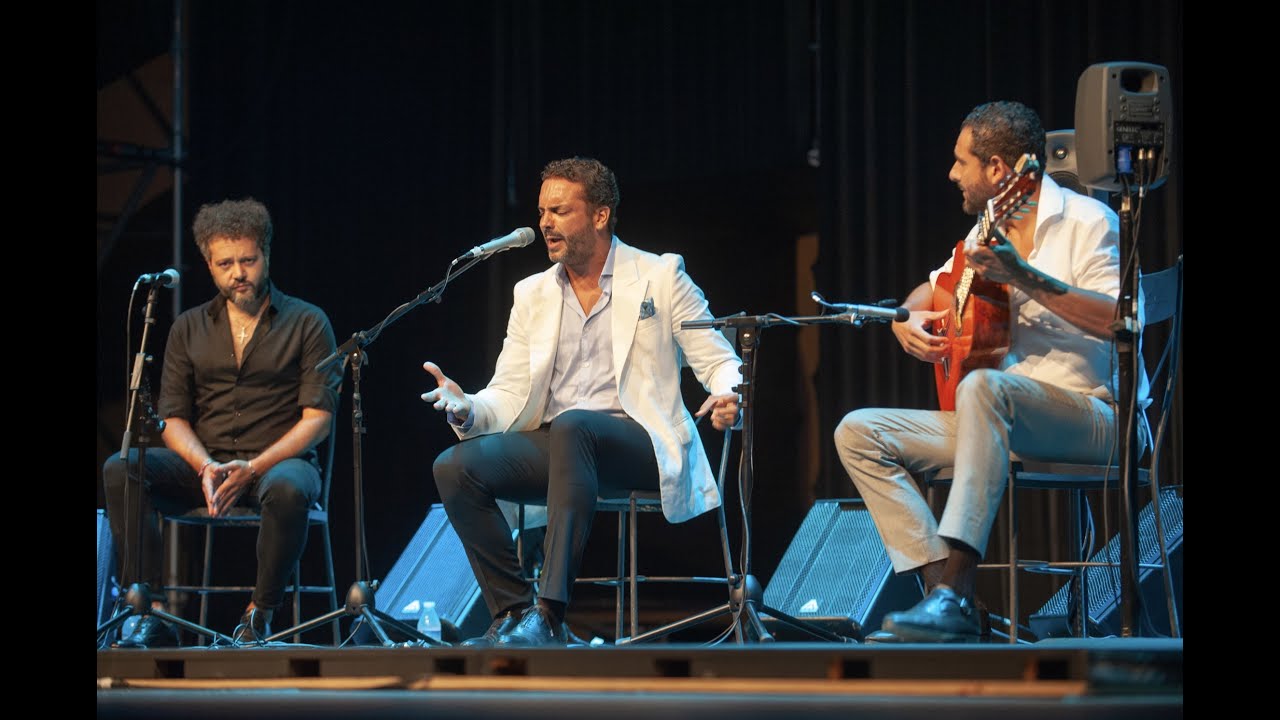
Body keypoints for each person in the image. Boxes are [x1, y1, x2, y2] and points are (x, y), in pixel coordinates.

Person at [833, 101, 1149, 643]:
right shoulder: (988, 229)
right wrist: (906, 319)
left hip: (1098, 420)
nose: (952, 173)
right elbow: (934, 286)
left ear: (998, 168)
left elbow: (1122, 321)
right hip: (1002, 419)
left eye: (962, 162)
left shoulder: (1088, 221)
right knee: (858, 431)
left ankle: (953, 593)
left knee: (984, 386)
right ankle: (944, 598)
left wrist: (1023, 276)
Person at [422, 157, 742, 647]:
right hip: (562, 444)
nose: (545, 223)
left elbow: (718, 358)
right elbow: (508, 390)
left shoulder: (660, 275)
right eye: (541, 212)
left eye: (559, 211)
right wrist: (469, 408)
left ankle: (549, 615)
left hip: (639, 443)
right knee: (454, 467)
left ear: (600, 215)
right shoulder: (532, 293)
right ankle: (512, 613)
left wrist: (728, 392)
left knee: (575, 426)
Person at [102, 197, 342, 648]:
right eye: (225, 264)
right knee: (122, 466)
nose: (238, 273)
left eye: (248, 261)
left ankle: (258, 614)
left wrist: (252, 467)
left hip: (277, 465)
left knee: (290, 488)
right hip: (208, 468)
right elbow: (173, 418)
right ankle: (150, 612)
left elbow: (318, 420)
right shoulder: (188, 327)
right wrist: (205, 466)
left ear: (266, 254)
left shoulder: (308, 322)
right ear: (209, 265)